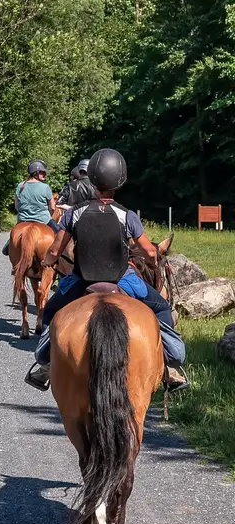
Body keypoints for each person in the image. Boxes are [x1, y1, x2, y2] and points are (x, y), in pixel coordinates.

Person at [24, 148, 187, 392]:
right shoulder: (127, 215)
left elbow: (56, 250)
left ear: (91, 178)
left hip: (81, 280)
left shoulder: (74, 214)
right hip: (123, 280)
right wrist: (151, 260)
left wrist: (47, 261)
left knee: (50, 311)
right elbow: (150, 252)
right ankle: (171, 365)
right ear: (120, 181)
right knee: (162, 308)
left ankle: (45, 364)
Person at [13, 160, 62, 232]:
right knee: (60, 235)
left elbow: (16, 206)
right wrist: (49, 216)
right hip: (44, 220)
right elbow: (52, 208)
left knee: (11, 240)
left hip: (22, 220)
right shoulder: (45, 187)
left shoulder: (20, 186)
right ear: (35, 173)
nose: (44, 174)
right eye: (42, 172)